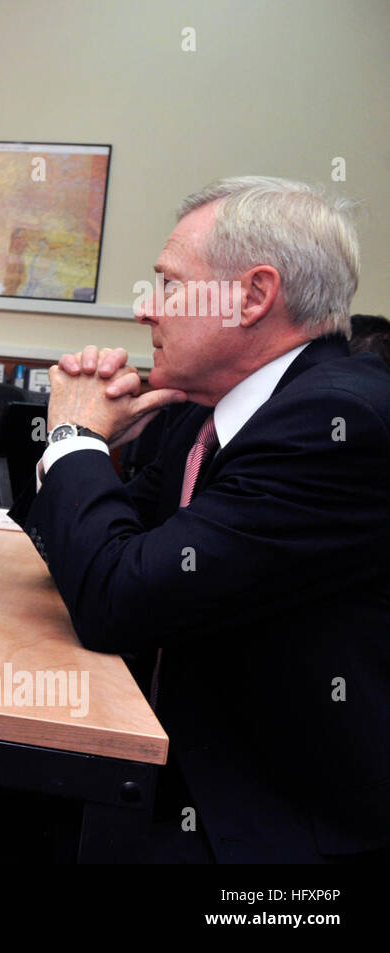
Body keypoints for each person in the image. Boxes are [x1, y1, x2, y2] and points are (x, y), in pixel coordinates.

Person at [19, 176, 390, 862]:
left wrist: (76, 439)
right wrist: (89, 452)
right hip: (162, 756)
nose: (144, 311)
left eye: (167, 284)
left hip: (264, 826)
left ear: (254, 295)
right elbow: (87, 547)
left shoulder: (337, 424)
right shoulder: (203, 407)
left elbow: (116, 598)